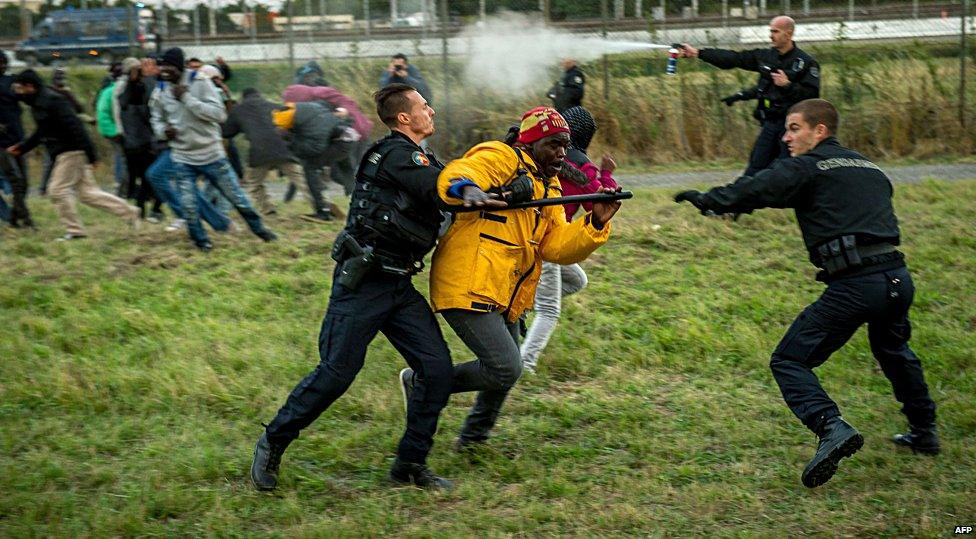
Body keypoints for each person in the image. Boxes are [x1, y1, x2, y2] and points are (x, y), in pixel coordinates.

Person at [674, 98, 939, 488]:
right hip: (898, 279)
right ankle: (925, 431)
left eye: (794, 128)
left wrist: (709, 200)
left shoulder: (809, 166)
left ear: (821, 130)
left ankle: (830, 426)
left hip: (855, 284)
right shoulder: (869, 166)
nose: (786, 136)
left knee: (789, 360)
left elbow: (759, 187)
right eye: (786, 128)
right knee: (894, 351)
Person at [251, 83, 455, 491]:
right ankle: (273, 441)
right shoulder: (395, 154)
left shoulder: (419, 158)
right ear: (404, 118)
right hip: (363, 283)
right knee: (336, 374)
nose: (430, 110)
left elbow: (449, 190)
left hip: (397, 284)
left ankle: (409, 465)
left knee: (436, 370)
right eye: (423, 106)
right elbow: (445, 188)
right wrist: (475, 190)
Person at [419, 106, 621, 450]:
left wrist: (595, 223)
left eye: (565, 144)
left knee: (504, 373)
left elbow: (555, 247)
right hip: (470, 281)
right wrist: (466, 189)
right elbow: (462, 171)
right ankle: (423, 384)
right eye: (554, 144)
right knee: (506, 368)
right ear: (530, 143)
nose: (562, 153)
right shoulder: (501, 156)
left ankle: (472, 439)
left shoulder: (550, 185)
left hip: (507, 289)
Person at [520, 106, 619, 374]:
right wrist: (605, 173)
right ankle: (524, 365)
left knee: (577, 280)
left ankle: (520, 308)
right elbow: (599, 202)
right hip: (549, 238)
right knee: (549, 310)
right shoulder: (582, 166)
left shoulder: (537, 155)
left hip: (525, 233)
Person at [149, 47, 276, 251]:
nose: (164, 71)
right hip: (182, 157)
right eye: (161, 67)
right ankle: (202, 243)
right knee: (189, 207)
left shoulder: (200, 82)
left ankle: (261, 231)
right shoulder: (160, 91)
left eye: (169, 67)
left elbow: (219, 114)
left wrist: (187, 99)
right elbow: (156, 119)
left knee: (238, 199)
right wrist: (163, 131)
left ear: (180, 66)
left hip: (212, 155)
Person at [678, 16, 820, 176]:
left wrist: (787, 85)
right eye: (770, 31)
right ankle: (742, 198)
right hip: (769, 123)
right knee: (755, 168)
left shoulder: (806, 62)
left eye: (775, 31)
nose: (770, 35)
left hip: (791, 128)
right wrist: (698, 53)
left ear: (788, 34)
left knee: (788, 170)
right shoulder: (765, 56)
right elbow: (734, 59)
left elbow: (812, 96)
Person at [8, 70, 138, 241]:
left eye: (19, 88)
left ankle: (75, 231)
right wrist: (23, 148)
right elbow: (42, 132)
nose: (17, 92)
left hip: (71, 151)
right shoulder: (38, 102)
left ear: (30, 87)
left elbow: (76, 127)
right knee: (87, 194)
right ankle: (130, 212)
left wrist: (92, 155)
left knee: (57, 190)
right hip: (66, 152)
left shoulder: (53, 101)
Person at [222, 88, 309, 216]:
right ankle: (321, 205)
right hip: (282, 149)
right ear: (259, 95)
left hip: (259, 153)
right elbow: (292, 123)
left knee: (254, 184)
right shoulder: (274, 106)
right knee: (301, 180)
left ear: (243, 98)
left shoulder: (239, 110)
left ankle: (268, 209)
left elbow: (227, 132)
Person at [117, 57, 164, 222]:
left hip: (131, 142)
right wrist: (149, 79)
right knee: (152, 176)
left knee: (143, 177)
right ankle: (152, 210)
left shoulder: (124, 87)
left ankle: (141, 209)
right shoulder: (139, 88)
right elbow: (150, 108)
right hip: (144, 142)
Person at [0, 51, 31, 228]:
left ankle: (14, 216)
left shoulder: (11, 81)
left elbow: (26, 96)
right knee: (15, 180)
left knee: (22, 182)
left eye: (4, 62)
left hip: (17, 138)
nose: (2, 66)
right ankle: (24, 219)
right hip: (1, 144)